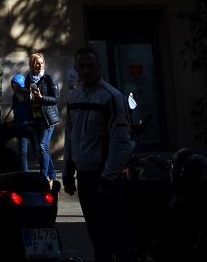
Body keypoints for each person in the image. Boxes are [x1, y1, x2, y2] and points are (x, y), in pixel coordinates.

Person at [62, 46, 133, 262]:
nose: (86, 70)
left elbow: (121, 143)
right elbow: (70, 138)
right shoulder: (73, 98)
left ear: (98, 67)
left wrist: (108, 178)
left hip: (105, 179)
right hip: (84, 178)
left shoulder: (111, 97)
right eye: (81, 66)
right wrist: (67, 172)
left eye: (90, 66)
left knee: (117, 238)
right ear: (76, 68)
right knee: (97, 238)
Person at [25, 52, 59, 185]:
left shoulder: (49, 79)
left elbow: (55, 99)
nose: (40, 66)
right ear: (32, 65)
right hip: (35, 117)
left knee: (42, 146)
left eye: (41, 63)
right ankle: (52, 175)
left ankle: (43, 176)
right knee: (40, 149)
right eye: (37, 63)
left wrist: (41, 98)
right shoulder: (28, 79)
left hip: (48, 118)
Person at [10, 74, 31, 170]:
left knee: (25, 153)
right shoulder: (26, 94)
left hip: (25, 125)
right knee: (26, 153)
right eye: (13, 85)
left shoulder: (21, 95)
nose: (14, 87)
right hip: (25, 125)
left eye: (15, 85)